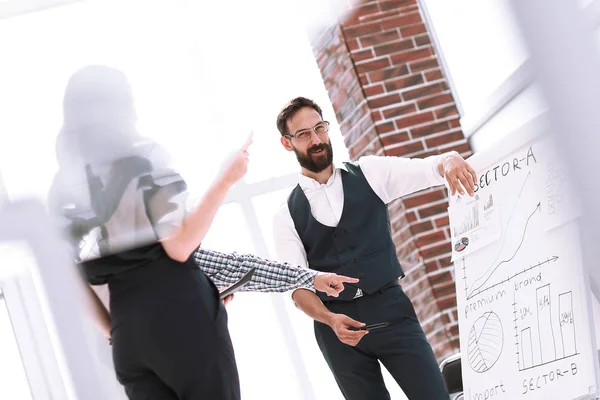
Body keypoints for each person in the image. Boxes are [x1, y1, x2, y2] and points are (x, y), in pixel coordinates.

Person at [47, 67, 357, 400]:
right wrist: (226, 179)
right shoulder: (142, 159)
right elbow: (180, 246)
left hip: (128, 339)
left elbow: (65, 280)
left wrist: (119, 330)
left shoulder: (64, 189)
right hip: (184, 324)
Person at [272, 97, 477, 400]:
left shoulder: (369, 172)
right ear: (287, 144)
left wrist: (448, 159)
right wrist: (330, 320)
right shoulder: (286, 215)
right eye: (303, 134)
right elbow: (297, 289)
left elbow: (425, 169)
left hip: (391, 310)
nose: (316, 140)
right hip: (337, 331)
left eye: (320, 128)